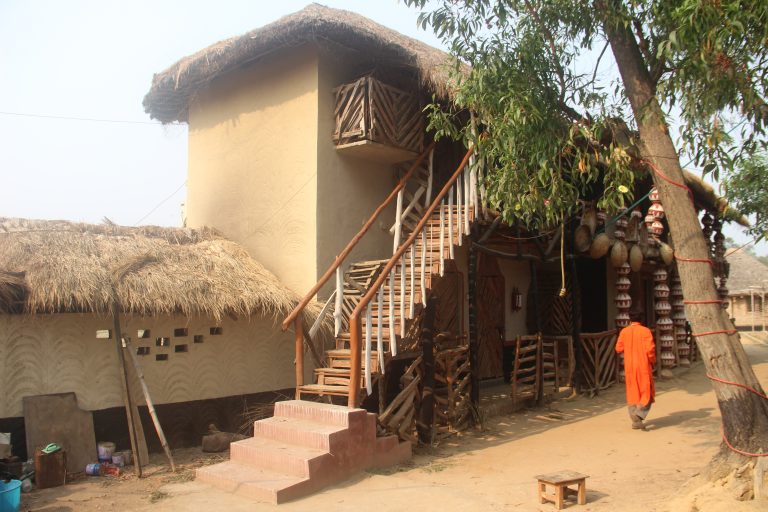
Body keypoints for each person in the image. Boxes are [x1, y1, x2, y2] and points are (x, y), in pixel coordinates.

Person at [615, 310, 656, 430]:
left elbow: (618, 348)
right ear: (641, 319)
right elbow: (650, 350)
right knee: (646, 392)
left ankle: (635, 419)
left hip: (629, 366)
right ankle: (639, 415)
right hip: (643, 365)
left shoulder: (624, 331)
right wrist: (653, 361)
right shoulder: (645, 331)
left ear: (630, 319)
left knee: (633, 392)